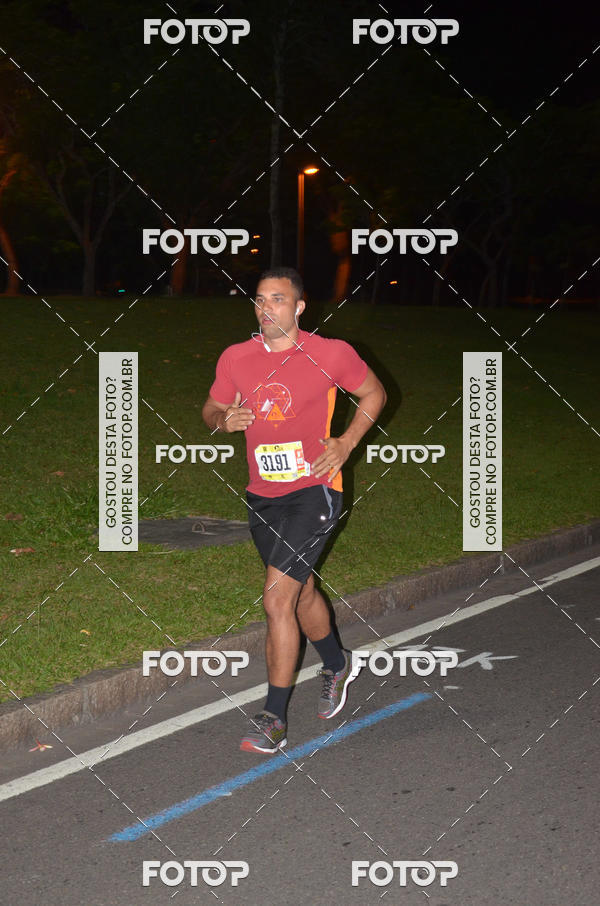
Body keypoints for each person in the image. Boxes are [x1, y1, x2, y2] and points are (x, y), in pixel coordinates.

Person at [202, 267, 387, 753]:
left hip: (316, 490)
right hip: (263, 494)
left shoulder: (330, 353)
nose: (267, 308)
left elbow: (375, 394)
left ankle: (273, 716)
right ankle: (337, 662)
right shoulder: (236, 358)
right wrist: (225, 419)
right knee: (299, 591)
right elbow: (210, 408)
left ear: (299, 307)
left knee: (276, 598)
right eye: (260, 300)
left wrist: (346, 443)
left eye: (278, 300)